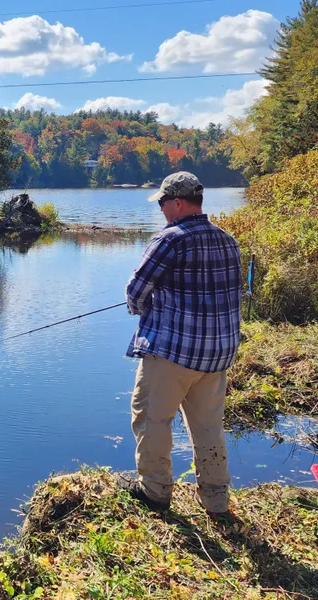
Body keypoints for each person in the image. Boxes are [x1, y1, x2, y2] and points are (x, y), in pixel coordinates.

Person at [119, 171, 242, 516]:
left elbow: (135, 293)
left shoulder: (169, 239)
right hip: (217, 354)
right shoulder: (228, 240)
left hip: (173, 352)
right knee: (208, 427)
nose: (160, 209)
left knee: (151, 418)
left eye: (161, 202)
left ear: (177, 202)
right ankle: (216, 499)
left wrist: (144, 307)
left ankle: (155, 490)